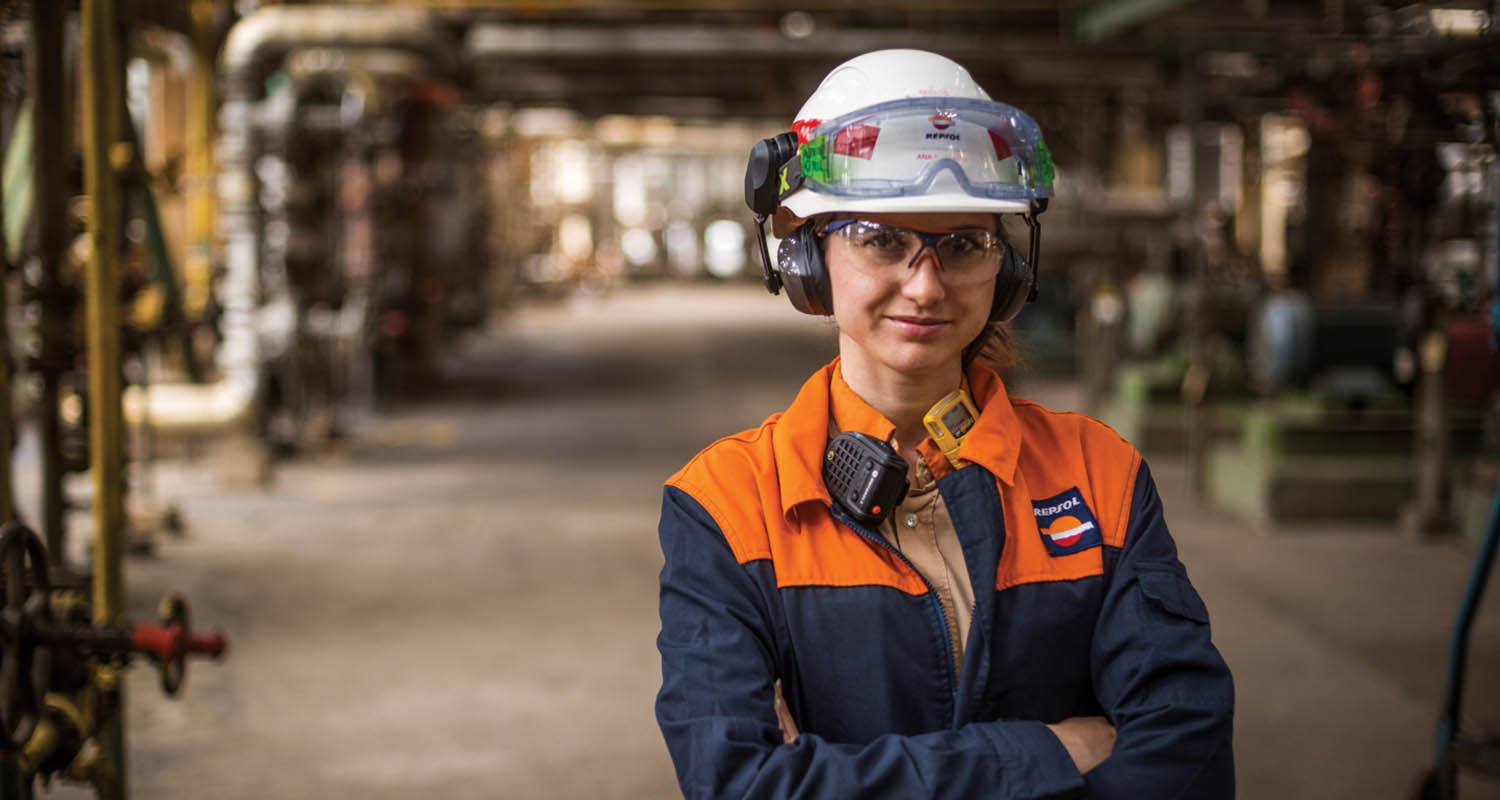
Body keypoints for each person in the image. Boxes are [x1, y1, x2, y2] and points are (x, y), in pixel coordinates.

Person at [655, 49, 1234, 798]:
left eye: (964, 245)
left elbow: (1185, 754)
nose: (925, 285)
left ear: (1009, 269)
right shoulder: (727, 503)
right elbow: (740, 782)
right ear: (805, 254)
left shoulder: (1098, 473)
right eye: (881, 239)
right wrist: (1049, 753)